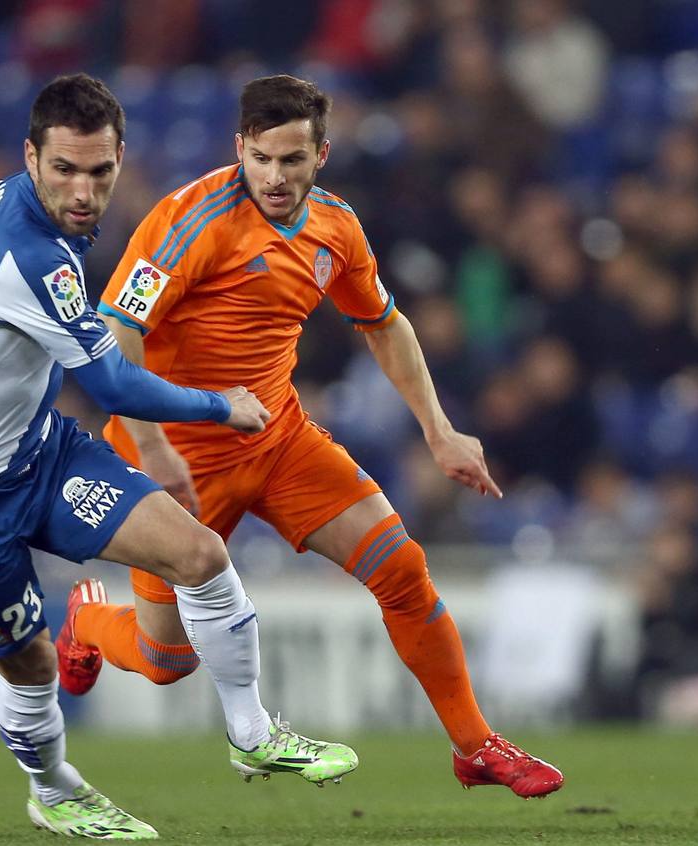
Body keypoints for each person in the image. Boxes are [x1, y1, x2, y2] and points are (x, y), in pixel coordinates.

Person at [58, 75, 563, 798]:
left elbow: (384, 324)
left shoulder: (336, 228)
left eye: (292, 160)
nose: (274, 176)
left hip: (276, 439)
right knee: (167, 661)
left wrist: (440, 430)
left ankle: (475, 746)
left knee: (402, 569)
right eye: (261, 158)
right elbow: (116, 335)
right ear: (240, 148)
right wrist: (158, 448)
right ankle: (87, 623)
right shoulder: (188, 222)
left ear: (320, 154)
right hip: (173, 458)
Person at [0, 74, 357, 842]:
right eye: (65, 170)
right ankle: (55, 789)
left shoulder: (6, 198)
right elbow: (107, 381)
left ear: (119, 159)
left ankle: (252, 734)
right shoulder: (30, 253)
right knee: (31, 662)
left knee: (199, 554)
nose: (83, 191)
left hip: (38, 452)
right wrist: (220, 404)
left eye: (100, 172)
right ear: (31, 155)